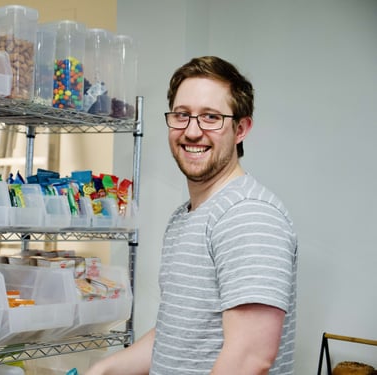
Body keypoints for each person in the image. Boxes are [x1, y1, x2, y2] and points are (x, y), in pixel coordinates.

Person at [85, 56, 298, 375]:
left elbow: (249, 358)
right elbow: (177, 335)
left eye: (211, 117)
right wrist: (101, 370)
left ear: (241, 129)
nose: (192, 131)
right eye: (182, 115)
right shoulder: (185, 216)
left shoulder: (248, 215)